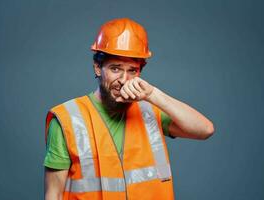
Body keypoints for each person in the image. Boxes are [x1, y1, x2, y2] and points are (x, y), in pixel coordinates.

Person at [44, 18, 214, 200]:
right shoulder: (68, 118)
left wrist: (152, 94)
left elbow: (205, 130)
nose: (124, 79)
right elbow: (54, 194)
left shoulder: (151, 110)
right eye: (115, 69)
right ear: (98, 68)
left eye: (132, 70)